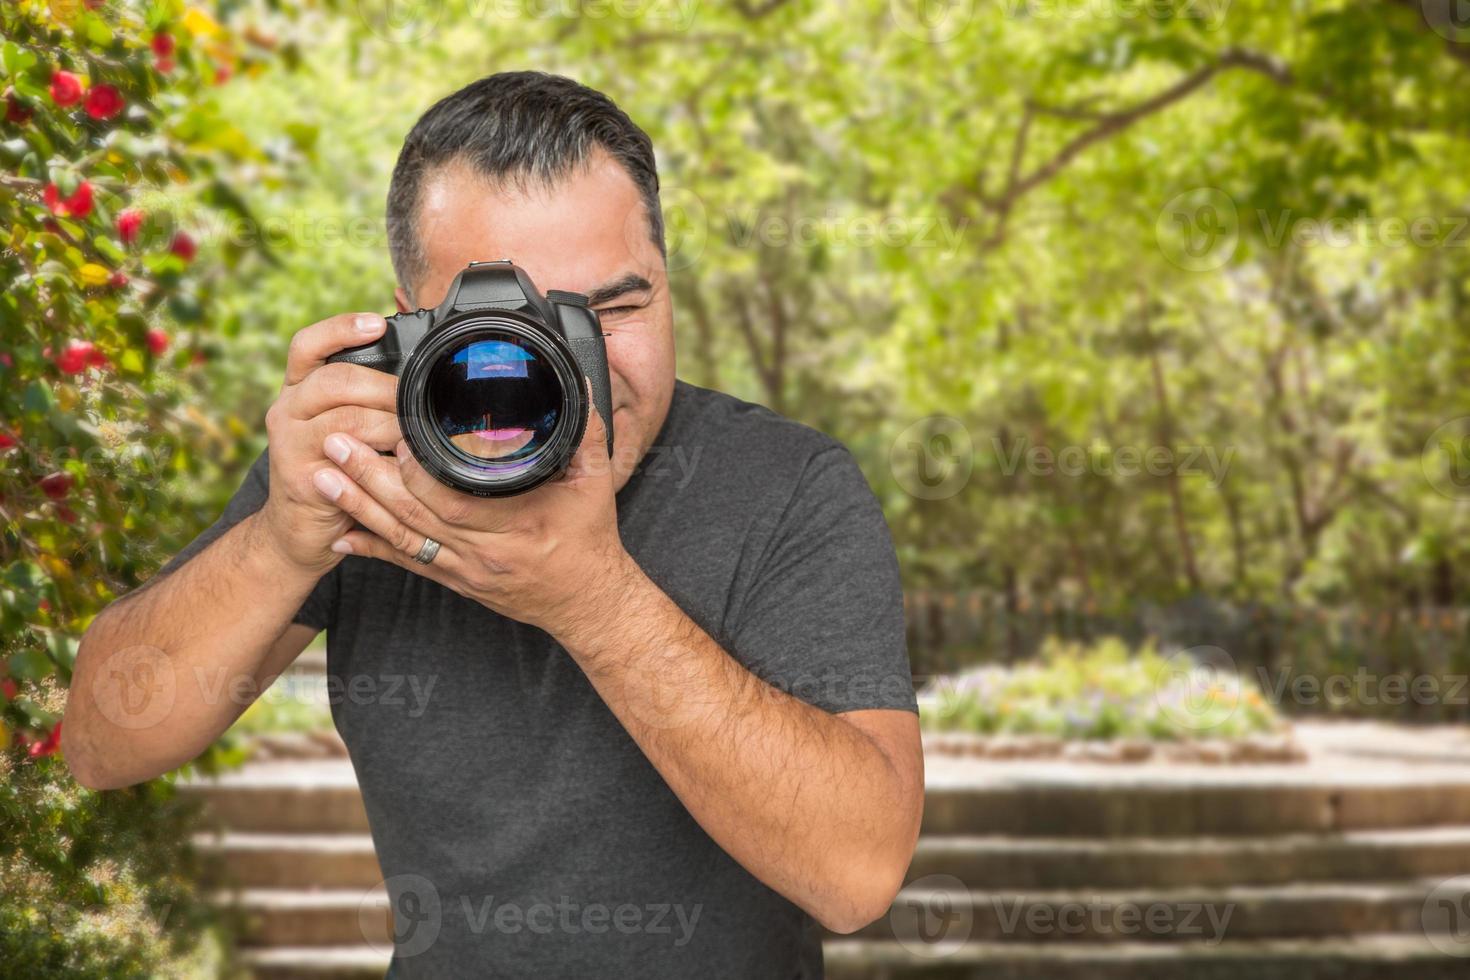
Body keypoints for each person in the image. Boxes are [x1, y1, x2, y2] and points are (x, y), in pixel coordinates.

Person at [63, 70, 923, 978]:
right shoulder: (366, 467)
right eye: (521, 325)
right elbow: (100, 742)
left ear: (671, 289)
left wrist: (593, 601)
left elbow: (856, 875)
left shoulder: (783, 484)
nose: (574, 364)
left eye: (617, 309)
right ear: (412, 328)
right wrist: (280, 543)